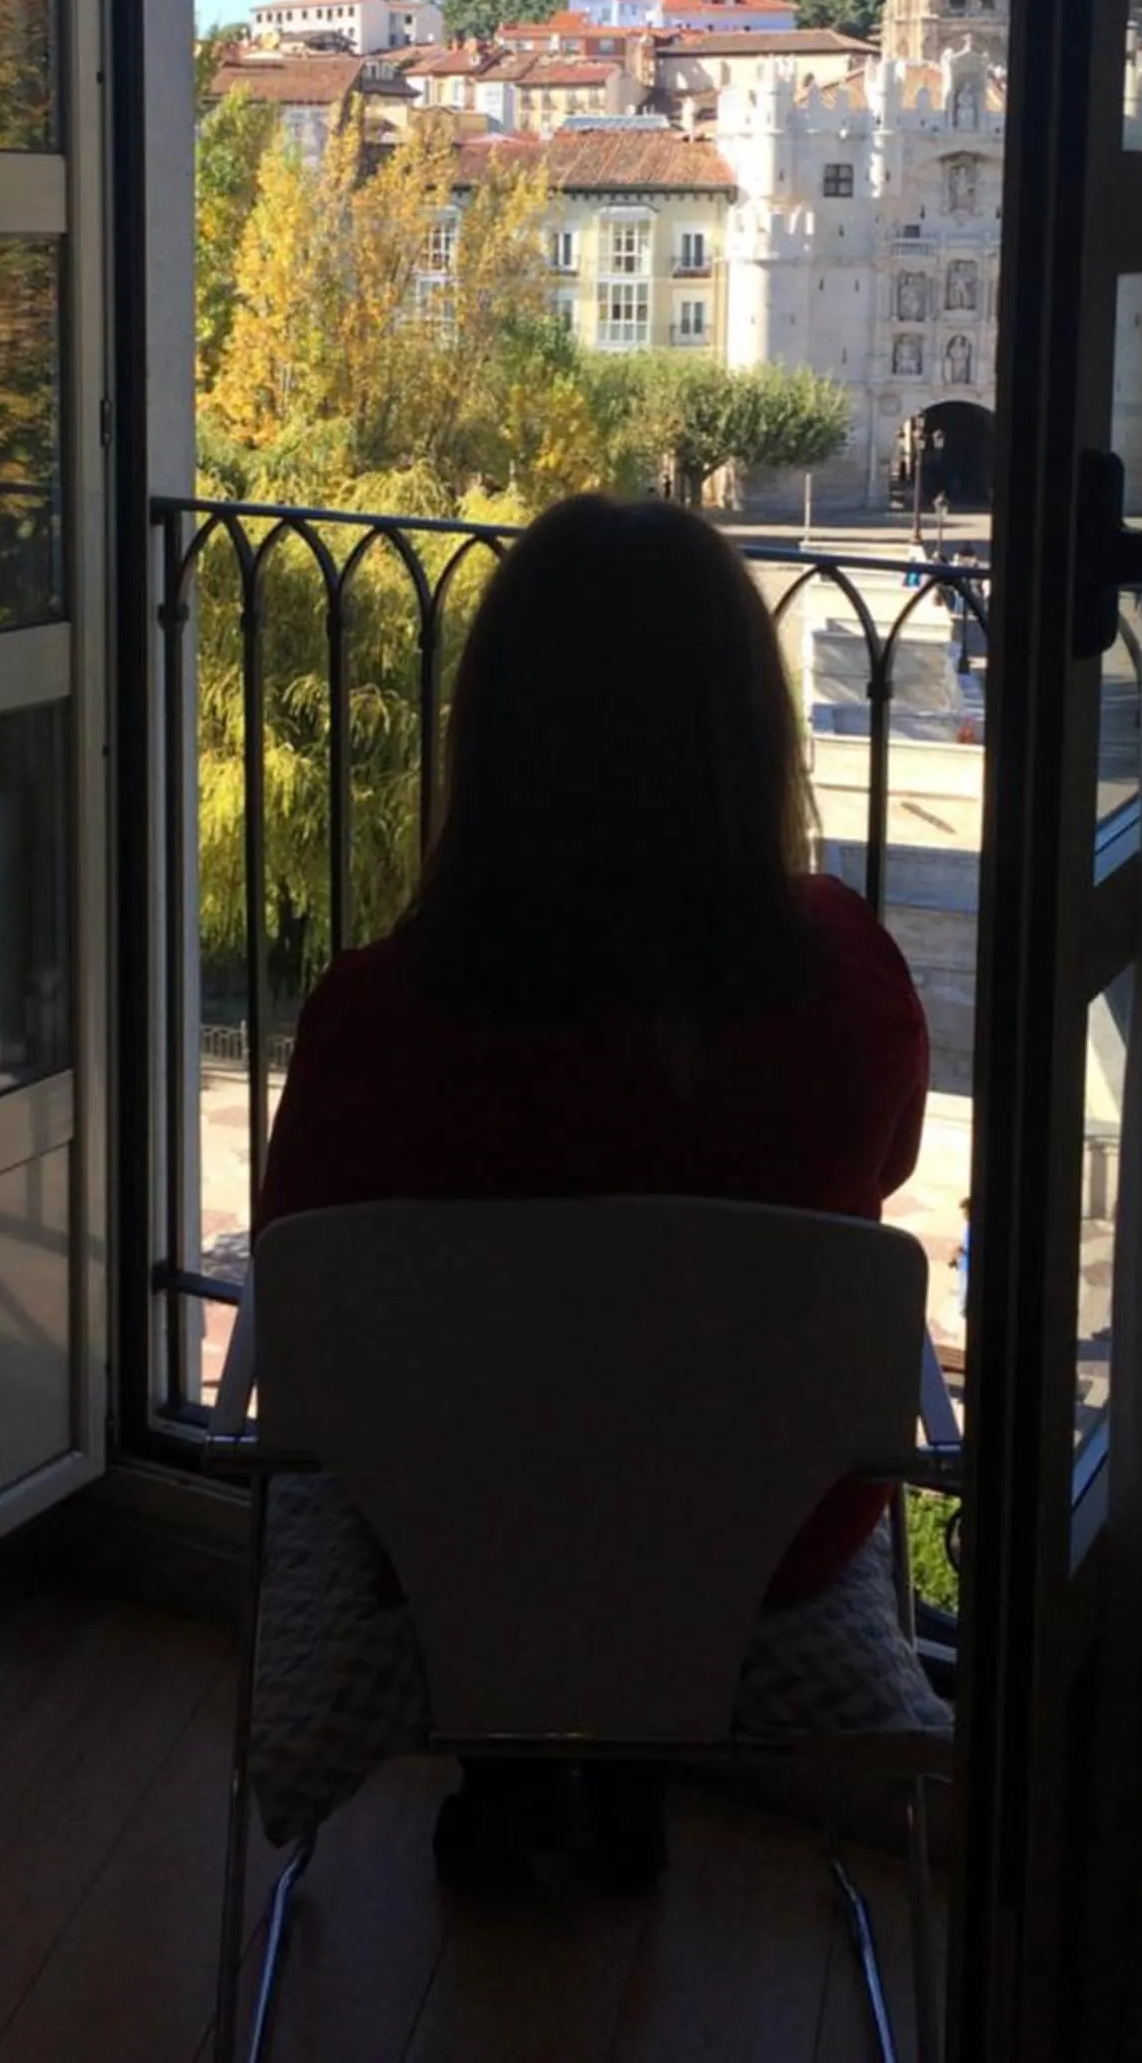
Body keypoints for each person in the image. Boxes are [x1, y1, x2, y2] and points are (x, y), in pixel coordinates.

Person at [256, 492, 931, 1890]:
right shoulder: (845, 982)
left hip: (440, 1543)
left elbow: (300, 1282)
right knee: (648, 1429)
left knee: (498, 1450)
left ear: (491, 738)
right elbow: (882, 1174)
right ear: (748, 735)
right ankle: (623, 1771)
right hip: (762, 1547)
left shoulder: (376, 1020)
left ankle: (515, 1771)